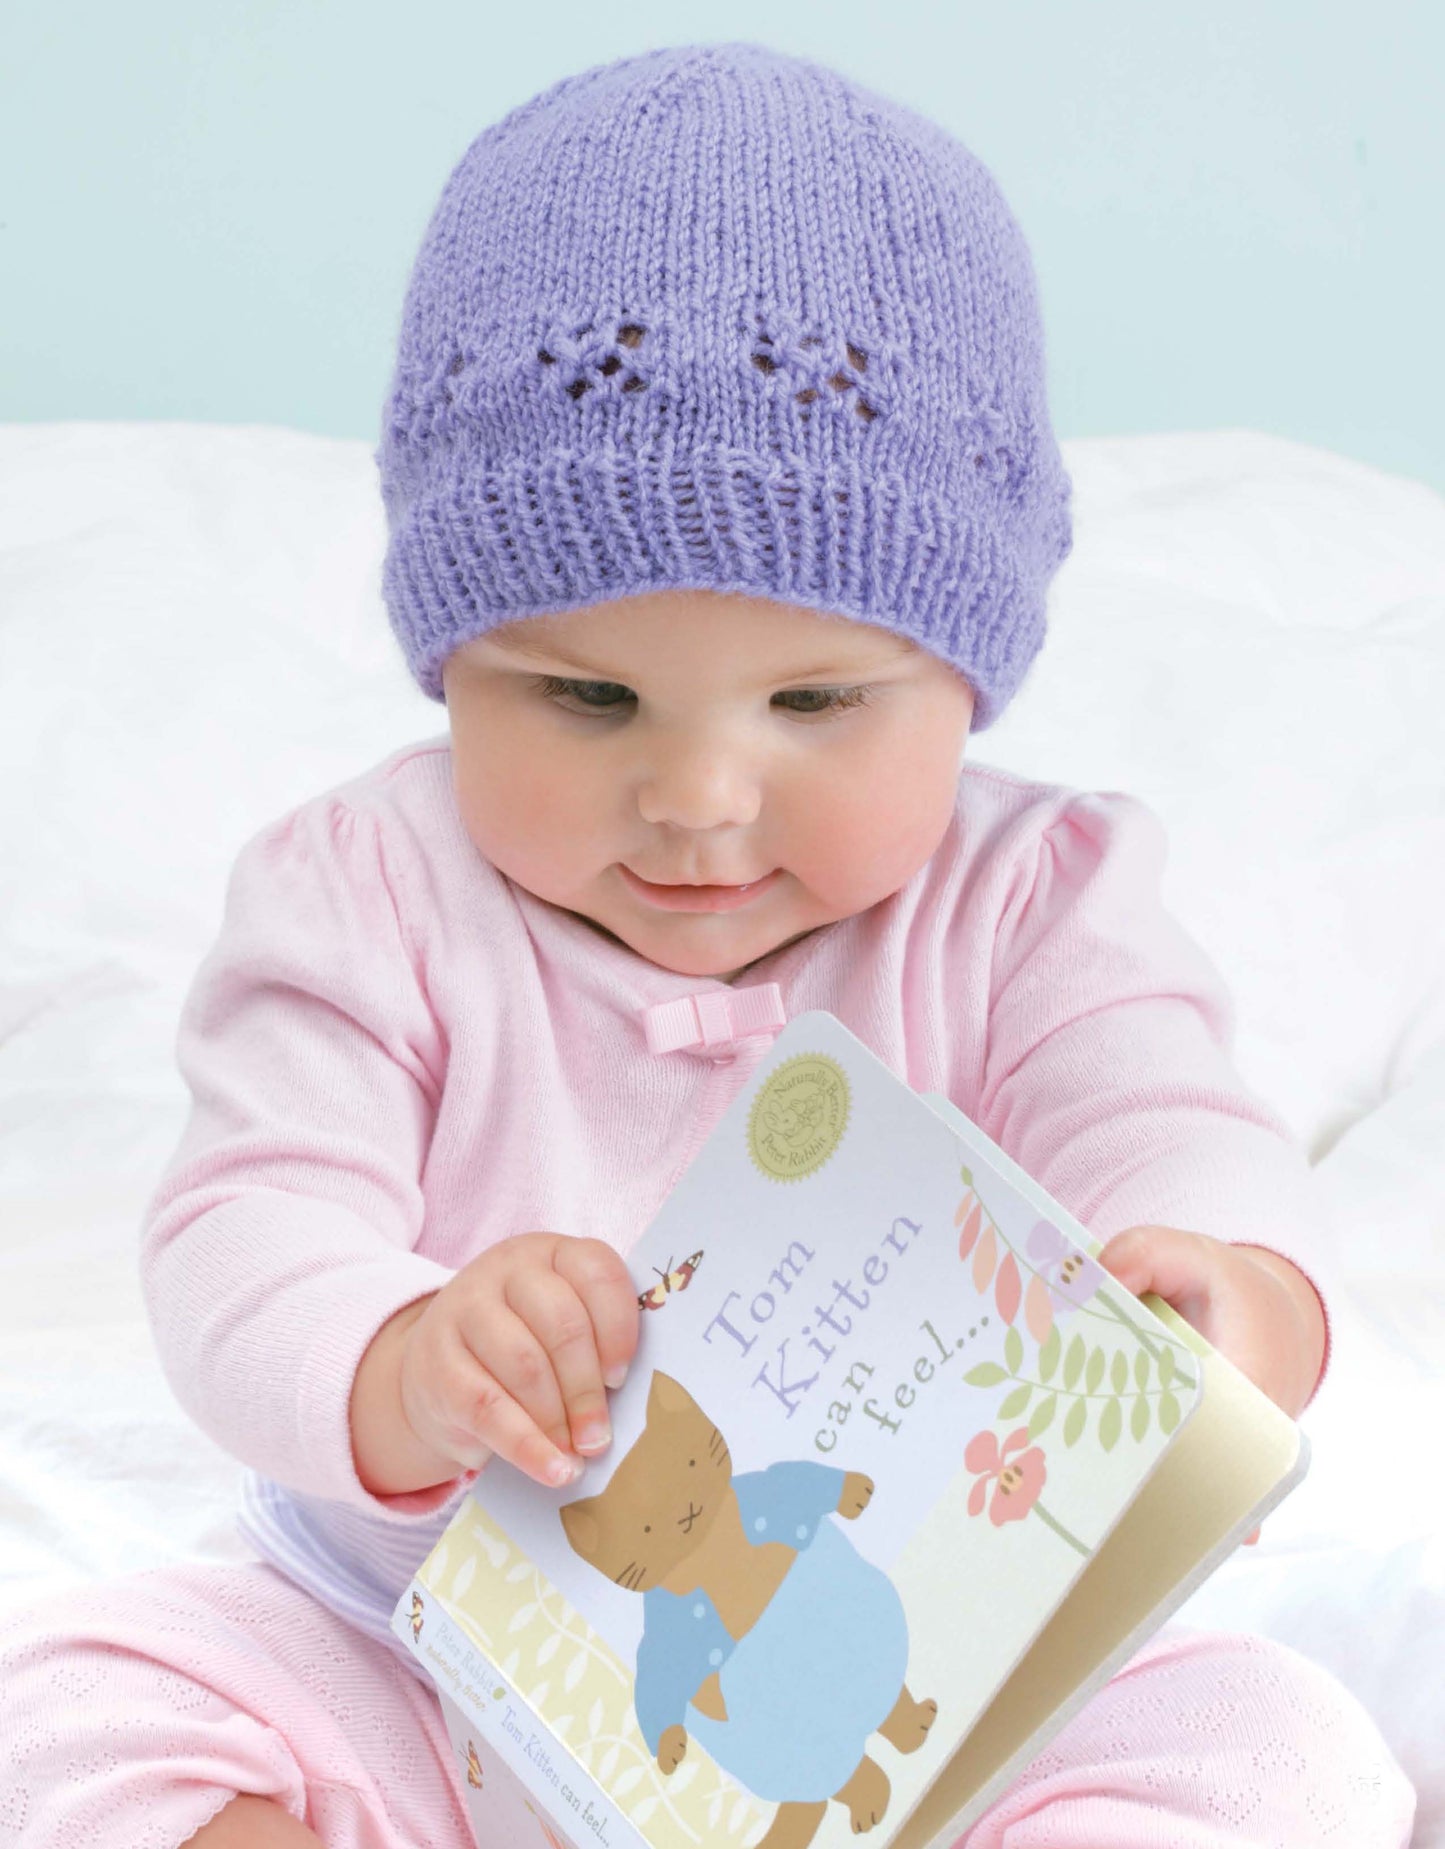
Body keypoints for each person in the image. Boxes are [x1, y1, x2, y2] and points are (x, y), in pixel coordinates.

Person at [0, 39, 1415, 1849]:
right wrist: (407, 1359)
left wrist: (1227, 1299)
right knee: (69, 1708)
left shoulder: (1028, 900)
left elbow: (1173, 1128)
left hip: (924, 1676)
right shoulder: (366, 891)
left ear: (966, 673)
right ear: (450, 661)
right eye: (584, 696)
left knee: (1276, 1751)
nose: (695, 797)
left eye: (812, 701)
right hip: (421, 1658)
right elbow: (241, 1231)